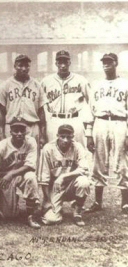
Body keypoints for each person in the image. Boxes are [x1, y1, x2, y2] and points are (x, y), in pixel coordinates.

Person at [85, 53, 128, 214]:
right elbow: (90, 110)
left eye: (109, 62)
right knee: (98, 162)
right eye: (104, 62)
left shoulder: (125, 84)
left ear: (116, 63)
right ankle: (97, 201)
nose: (106, 64)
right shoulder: (96, 85)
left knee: (121, 162)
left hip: (120, 122)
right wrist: (89, 134)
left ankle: (125, 203)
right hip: (100, 122)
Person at [0, 117, 41, 229]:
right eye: (16, 130)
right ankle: (9, 199)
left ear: (26, 131)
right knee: (8, 215)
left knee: (31, 177)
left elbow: (30, 166)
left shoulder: (31, 142)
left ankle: (30, 215)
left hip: (22, 174)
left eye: (22, 130)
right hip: (5, 177)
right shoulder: (0, 146)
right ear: (10, 131)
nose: (19, 133)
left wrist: (12, 174)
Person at [38, 124, 90, 226]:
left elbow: (84, 169)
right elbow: (44, 178)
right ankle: (57, 208)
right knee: (51, 220)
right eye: (62, 136)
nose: (65, 140)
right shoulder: (48, 148)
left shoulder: (77, 147)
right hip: (55, 187)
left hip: (71, 184)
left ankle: (77, 212)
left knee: (84, 182)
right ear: (57, 135)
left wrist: (63, 176)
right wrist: (48, 200)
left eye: (69, 137)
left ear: (73, 137)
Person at [41, 50, 91, 146]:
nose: (63, 65)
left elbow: (91, 102)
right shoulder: (46, 81)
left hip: (74, 119)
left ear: (69, 63)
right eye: (60, 62)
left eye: (65, 62)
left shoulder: (81, 80)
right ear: (56, 63)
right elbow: (39, 105)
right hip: (54, 120)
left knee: (77, 150)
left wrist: (89, 127)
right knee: (53, 150)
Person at [0, 54, 47, 149]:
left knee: (33, 160)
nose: (23, 69)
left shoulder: (37, 85)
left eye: (26, 66)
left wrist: (43, 134)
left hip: (31, 127)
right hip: (12, 128)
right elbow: (1, 111)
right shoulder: (5, 85)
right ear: (15, 66)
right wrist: (1, 134)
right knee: (11, 159)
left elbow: (41, 111)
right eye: (20, 65)